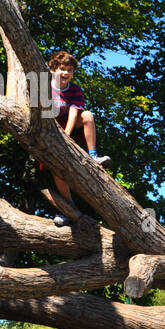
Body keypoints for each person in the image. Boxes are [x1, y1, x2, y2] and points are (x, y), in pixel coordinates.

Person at [44, 51, 110, 225]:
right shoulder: (44, 86)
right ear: (52, 69)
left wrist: (65, 136)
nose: (66, 73)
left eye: (70, 70)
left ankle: (94, 155)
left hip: (69, 129)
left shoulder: (75, 90)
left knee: (88, 115)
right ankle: (68, 208)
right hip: (47, 131)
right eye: (62, 69)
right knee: (58, 169)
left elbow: (74, 113)